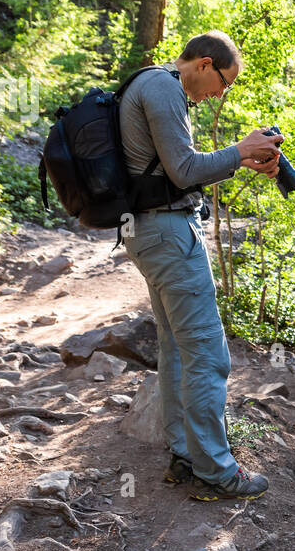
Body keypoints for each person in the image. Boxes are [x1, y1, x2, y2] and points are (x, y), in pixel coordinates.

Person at [118, 30, 283, 500]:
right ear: (205, 64)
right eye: (224, 82)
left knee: (175, 347)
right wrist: (242, 148)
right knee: (208, 355)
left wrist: (240, 160)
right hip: (168, 237)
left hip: (150, 231)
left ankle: (187, 456)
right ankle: (218, 471)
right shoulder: (165, 87)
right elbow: (185, 171)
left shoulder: (151, 85)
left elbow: (175, 168)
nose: (221, 94)